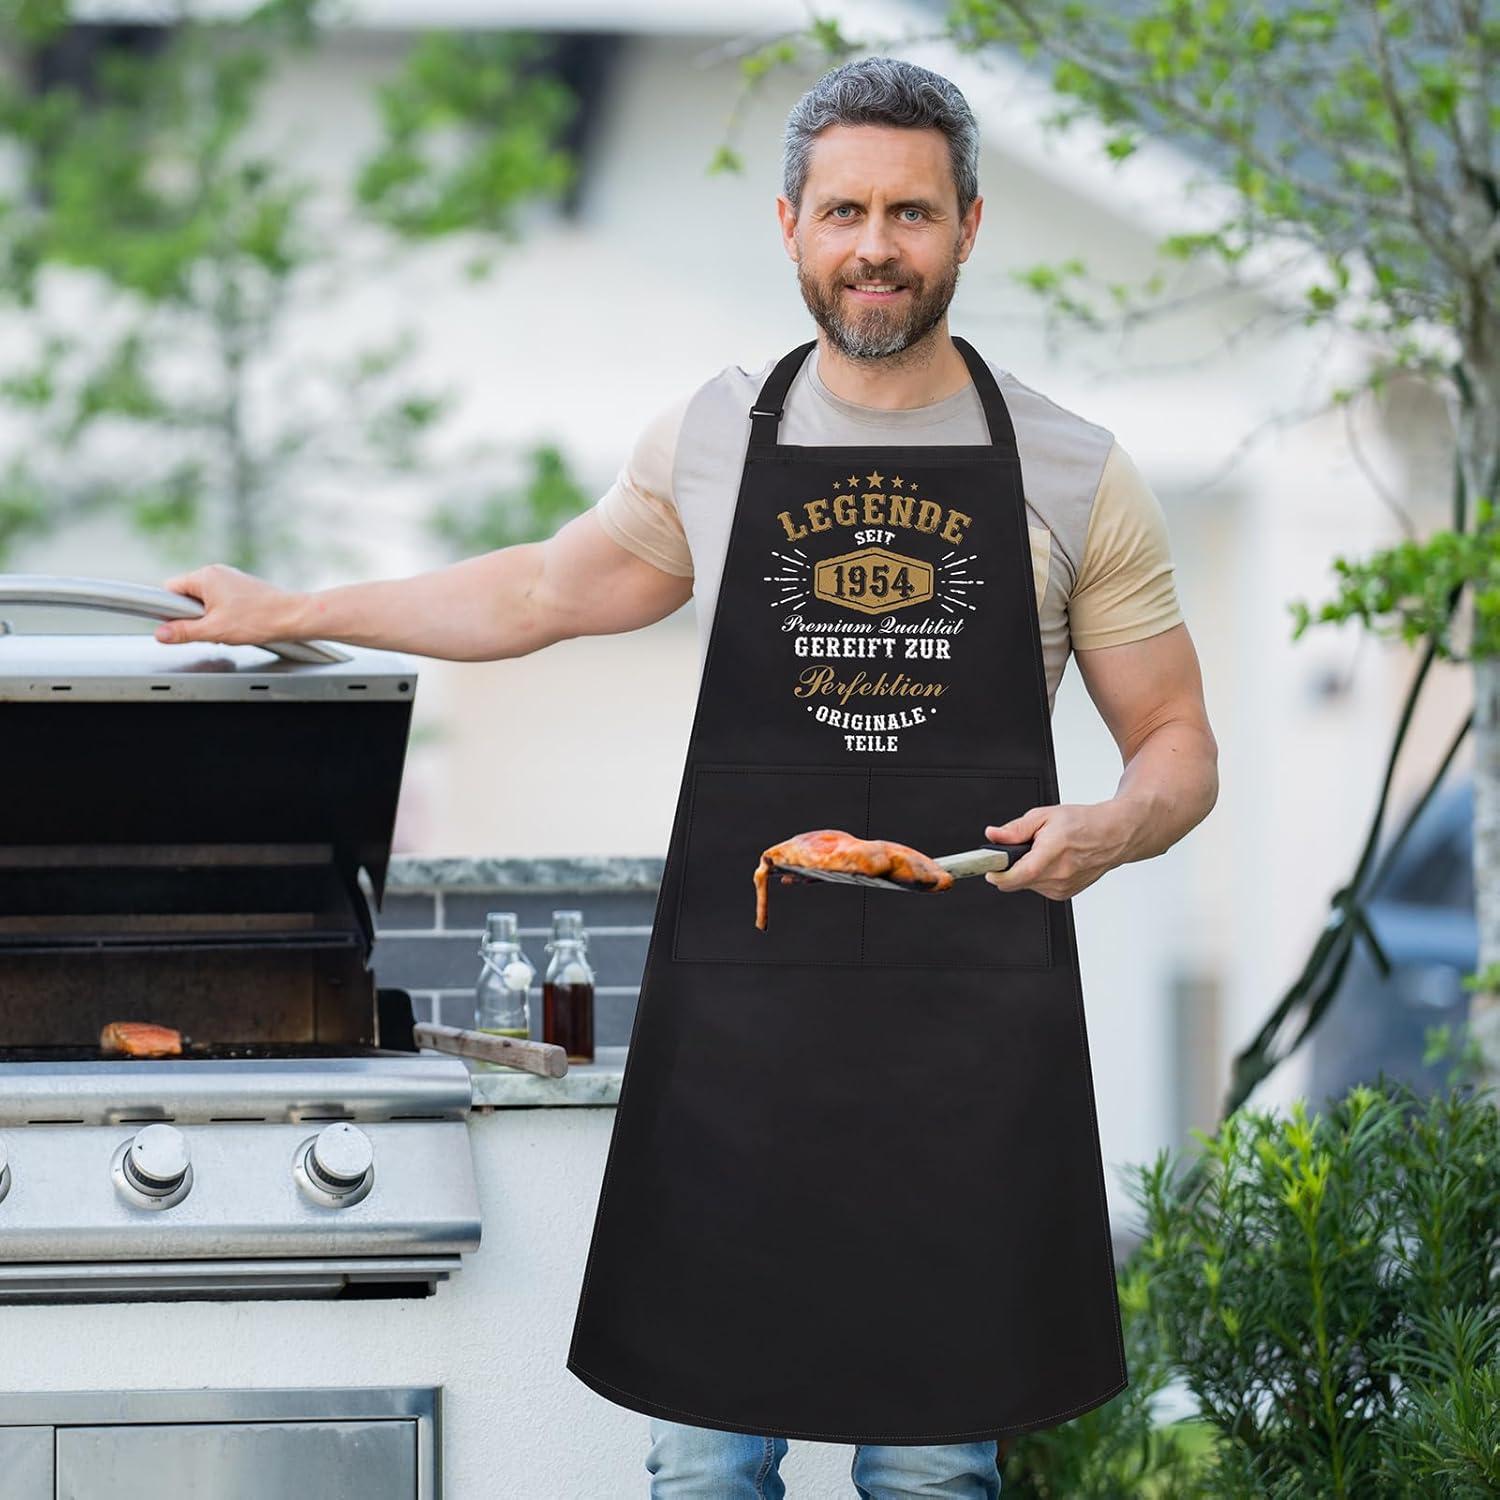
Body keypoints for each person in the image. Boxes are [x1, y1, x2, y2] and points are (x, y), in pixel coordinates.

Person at [158, 55, 1217, 1500]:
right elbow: (537, 592)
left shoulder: (1075, 469)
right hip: (742, 1035)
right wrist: (294, 608)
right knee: (705, 1474)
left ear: (970, 225)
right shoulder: (715, 435)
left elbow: (1179, 745)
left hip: (965, 1043)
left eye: (911, 212)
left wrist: (1114, 824)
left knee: (928, 1482)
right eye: (844, 211)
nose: (876, 247)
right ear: (790, 224)